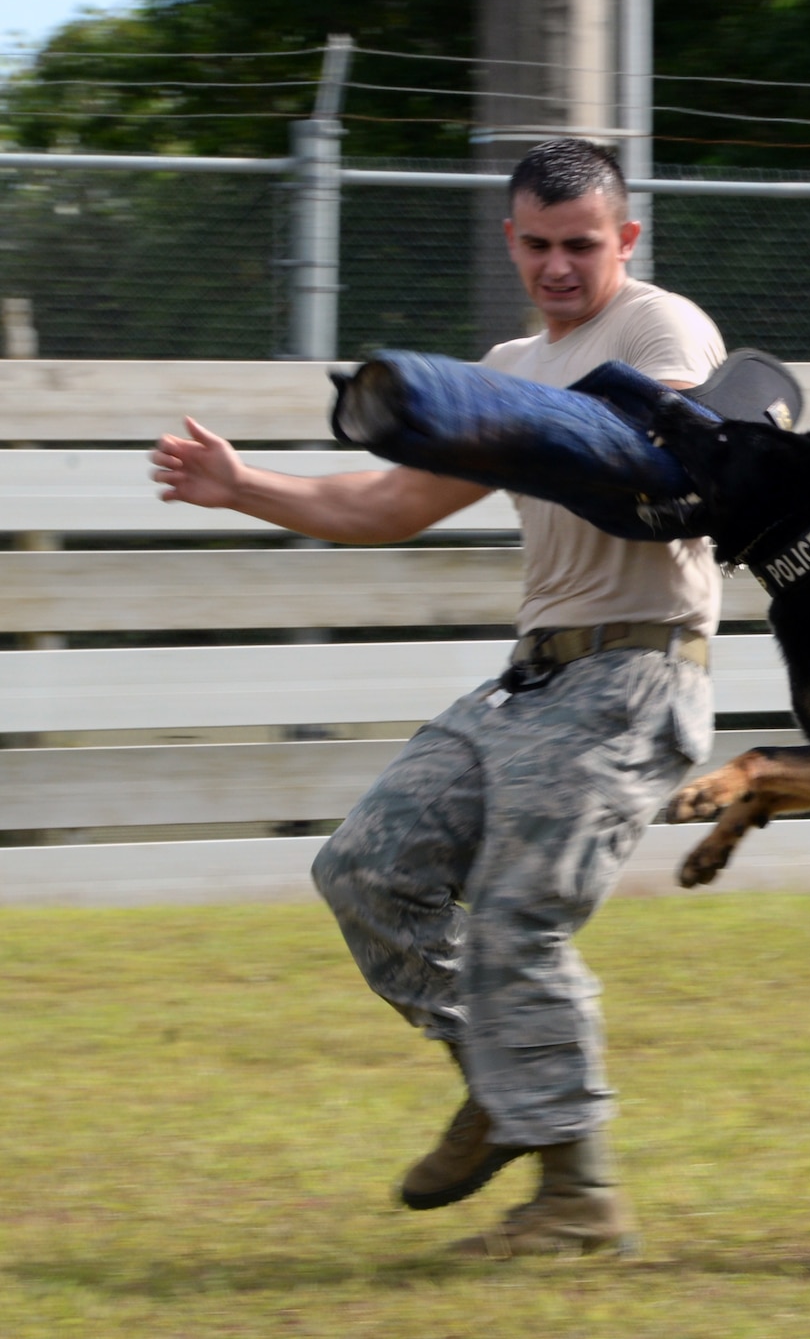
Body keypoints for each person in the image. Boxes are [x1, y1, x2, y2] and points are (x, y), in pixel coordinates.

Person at [149, 138, 725, 1259]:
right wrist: (241, 485)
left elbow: (659, 450)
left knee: (519, 913)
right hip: (533, 677)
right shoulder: (508, 362)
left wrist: (517, 419)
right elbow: (392, 502)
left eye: (583, 245)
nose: (560, 267)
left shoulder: (658, 326)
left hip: (638, 668)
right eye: (539, 245)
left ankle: (578, 1198)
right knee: (366, 868)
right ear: (510, 240)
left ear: (626, 239)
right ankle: (508, 1085)